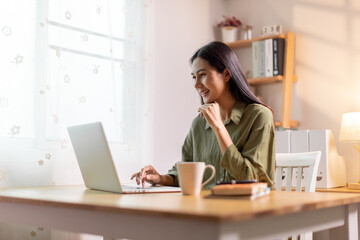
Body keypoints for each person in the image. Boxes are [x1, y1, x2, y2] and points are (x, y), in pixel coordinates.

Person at [131, 41, 275, 188]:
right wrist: (161, 178)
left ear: (226, 74)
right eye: (194, 77)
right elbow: (188, 172)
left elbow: (253, 180)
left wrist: (219, 128)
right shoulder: (199, 123)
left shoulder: (259, 116)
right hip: (205, 207)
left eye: (203, 75)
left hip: (246, 208)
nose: (197, 84)